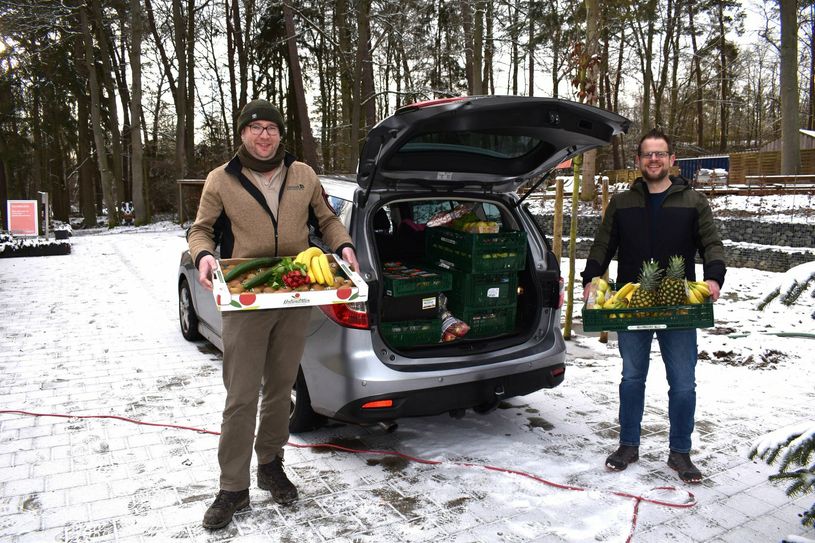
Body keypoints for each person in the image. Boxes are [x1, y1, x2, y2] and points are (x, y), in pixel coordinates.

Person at [188, 99, 358, 529]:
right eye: (255, 127)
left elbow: (327, 219)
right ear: (243, 133)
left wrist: (343, 245)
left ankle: (270, 465)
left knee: (281, 390)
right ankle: (232, 487)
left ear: (281, 134)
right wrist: (204, 255)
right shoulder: (221, 179)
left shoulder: (303, 175)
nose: (264, 135)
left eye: (271, 128)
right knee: (241, 396)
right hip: (246, 298)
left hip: (293, 296)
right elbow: (200, 229)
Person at [580, 128, 726, 484]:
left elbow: (711, 243)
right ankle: (628, 445)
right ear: (638, 161)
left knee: (683, 382)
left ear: (672, 159)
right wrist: (591, 276)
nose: (654, 159)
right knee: (632, 377)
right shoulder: (622, 203)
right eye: (648, 154)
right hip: (633, 303)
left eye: (660, 153)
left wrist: (714, 277)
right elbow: (603, 243)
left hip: (679, 305)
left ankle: (680, 452)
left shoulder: (693, 201)